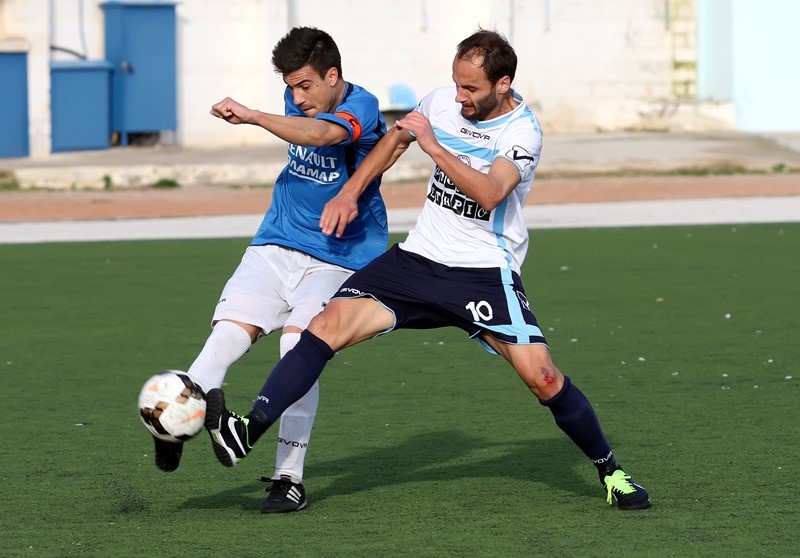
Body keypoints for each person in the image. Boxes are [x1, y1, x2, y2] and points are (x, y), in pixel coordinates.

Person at [204, 29, 651, 511]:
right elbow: (395, 141)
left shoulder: (523, 132)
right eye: (455, 84)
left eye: (471, 89)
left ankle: (611, 471)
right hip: (418, 259)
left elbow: (491, 193)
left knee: (542, 377)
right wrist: (351, 191)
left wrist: (436, 148)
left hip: (482, 271)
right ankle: (247, 429)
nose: (459, 97)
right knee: (323, 326)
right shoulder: (441, 101)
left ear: (503, 84)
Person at [149, 26, 390, 514]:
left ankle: (288, 478)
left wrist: (254, 117)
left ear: (333, 76)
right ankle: (177, 424)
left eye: (306, 86)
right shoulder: (295, 94)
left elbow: (324, 133)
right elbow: (305, 125)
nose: (297, 96)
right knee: (223, 339)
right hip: (275, 243)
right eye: (291, 86)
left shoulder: (361, 107)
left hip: (339, 258)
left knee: (298, 347)